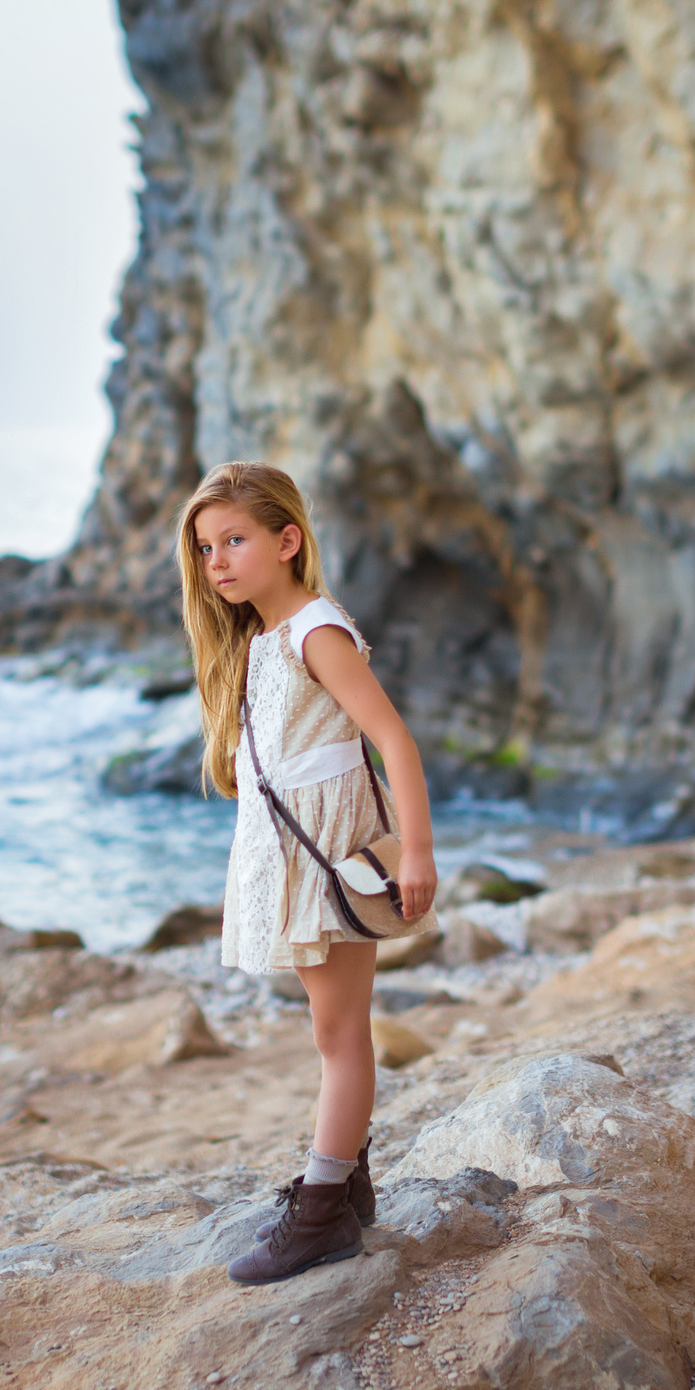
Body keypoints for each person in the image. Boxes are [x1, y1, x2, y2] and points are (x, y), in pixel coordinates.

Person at [176, 461, 439, 1286]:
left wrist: (421, 852)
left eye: (235, 539)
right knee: (333, 1028)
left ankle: (323, 1211)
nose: (217, 560)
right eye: (206, 546)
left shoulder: (314, 630)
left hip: (329, 858)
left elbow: (393, 740)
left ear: (288, 540)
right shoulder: (261, 639)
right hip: (296, 854)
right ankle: (348, 1182)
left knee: (338, 1034)